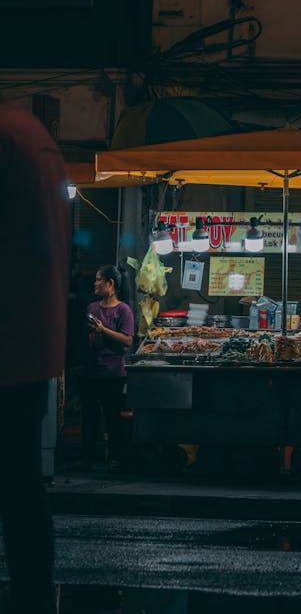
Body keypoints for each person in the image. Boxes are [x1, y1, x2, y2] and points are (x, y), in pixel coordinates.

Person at [0, 101, 70, 613]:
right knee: (20, 485)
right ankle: (32, 594)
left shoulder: (9, 137)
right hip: (25, 345)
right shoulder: (27, 133)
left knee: (18, 487)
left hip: (9, 341)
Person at [79, 265, 134, 471]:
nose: (95, 283)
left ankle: (116, 459)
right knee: (89, 418)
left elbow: (127, 340)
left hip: (113, 374)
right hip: (91, 372)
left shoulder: (123, 310)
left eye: (99, 279)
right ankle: (87, 460)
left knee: (113, 419)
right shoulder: (92, 308)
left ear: (110, 284)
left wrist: (103, 330)